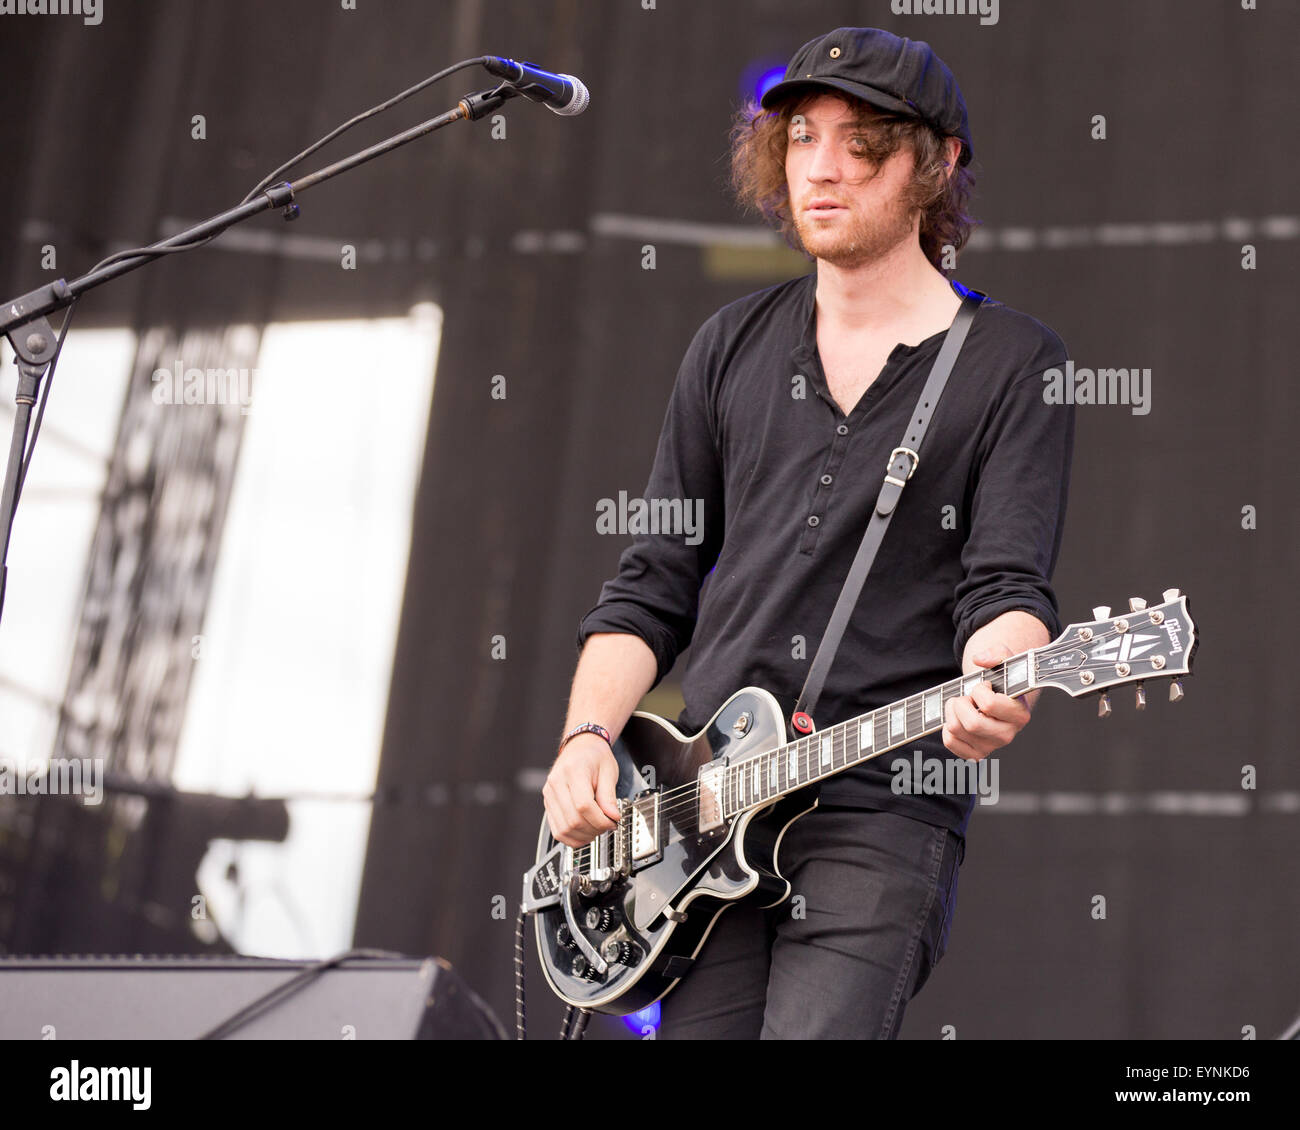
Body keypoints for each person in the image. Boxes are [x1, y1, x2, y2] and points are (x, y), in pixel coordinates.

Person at [542, 26, 1074, 1039]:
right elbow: (653, 578)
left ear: (937, 162)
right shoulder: (728, 346)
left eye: (861, 143)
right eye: (800, 139)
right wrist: (584, 738)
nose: (821, 167)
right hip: (702, 814)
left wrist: (1001, 675)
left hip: (878, 809)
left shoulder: (1013, 362)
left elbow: (1006, 585)